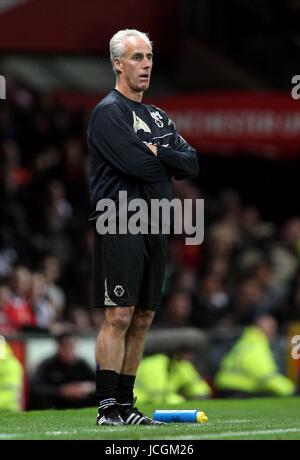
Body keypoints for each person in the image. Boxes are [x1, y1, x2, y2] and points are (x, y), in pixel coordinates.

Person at [87, 29, 199, 425]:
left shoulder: (157, 116)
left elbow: (192, 164)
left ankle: (126, 405)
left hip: (157, 222)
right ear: (118, 63)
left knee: (145, 316)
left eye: (149, 56)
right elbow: (139, 166)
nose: (146, 64)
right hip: (119, 218)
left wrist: (159, 152)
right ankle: (106, 408)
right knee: (119, 314)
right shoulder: (107, 112)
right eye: (137, 57)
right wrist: (163, 158)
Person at [214, 314, 295, 398]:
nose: (274, 332)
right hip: (237, 390)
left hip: (227, 386)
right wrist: (290, 389)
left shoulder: (246, 341)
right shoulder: (257, 346)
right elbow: (265, 376)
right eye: (272, 329)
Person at [29, 332, 95, 409]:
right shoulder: (47, 364)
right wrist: (61, 391)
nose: (70, 350)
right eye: (67, 346)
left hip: (80, 405)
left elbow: (97, 383)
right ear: (60, 346)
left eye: (72, 346)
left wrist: (86, 387)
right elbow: (36, 388)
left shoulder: (82, 364)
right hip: (55, 405)